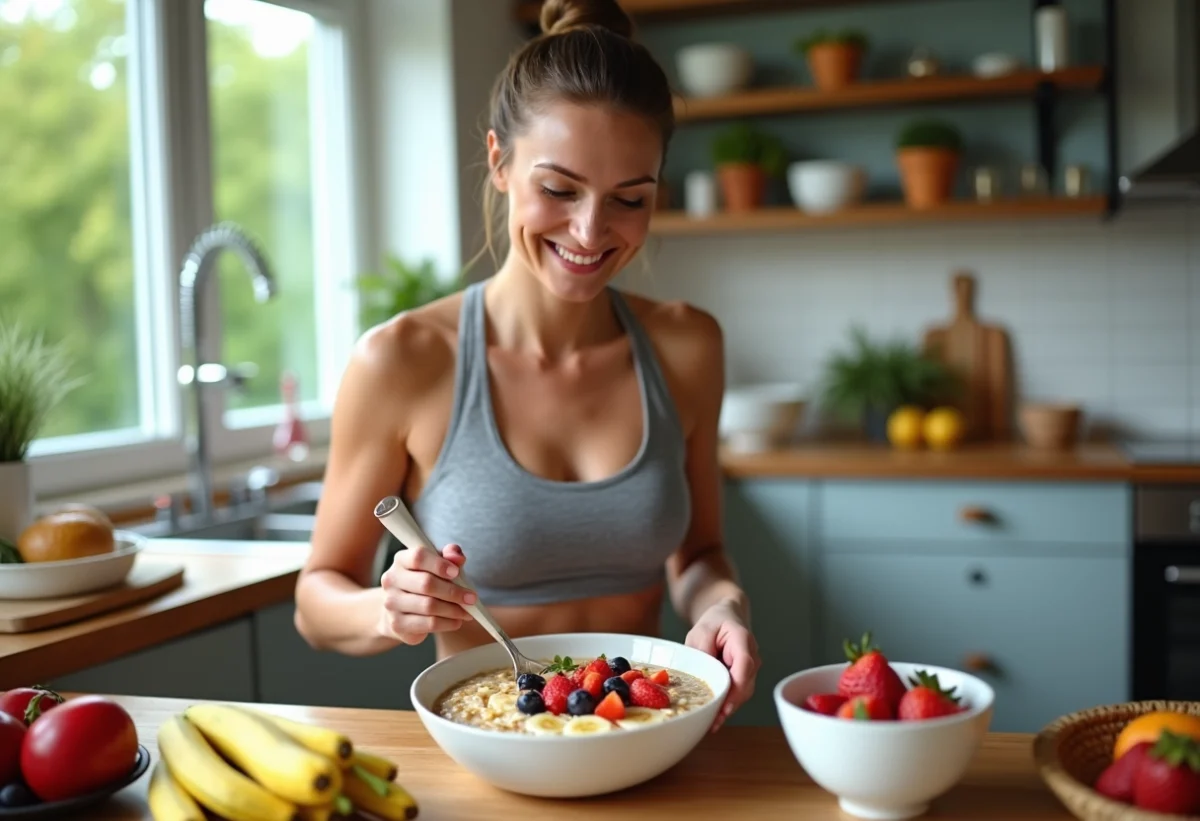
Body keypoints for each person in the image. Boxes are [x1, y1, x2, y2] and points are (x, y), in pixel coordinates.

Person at [293, 0, 760, 730]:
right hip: (490, 745)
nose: (589, 230)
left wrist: (721, 603)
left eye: (628, 199)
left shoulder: (688, 345)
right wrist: (388, 609)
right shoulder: (403, 361)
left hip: (639, 737)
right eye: (559, 188)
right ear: (498, 162)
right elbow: (317, 602)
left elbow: (700, 552)